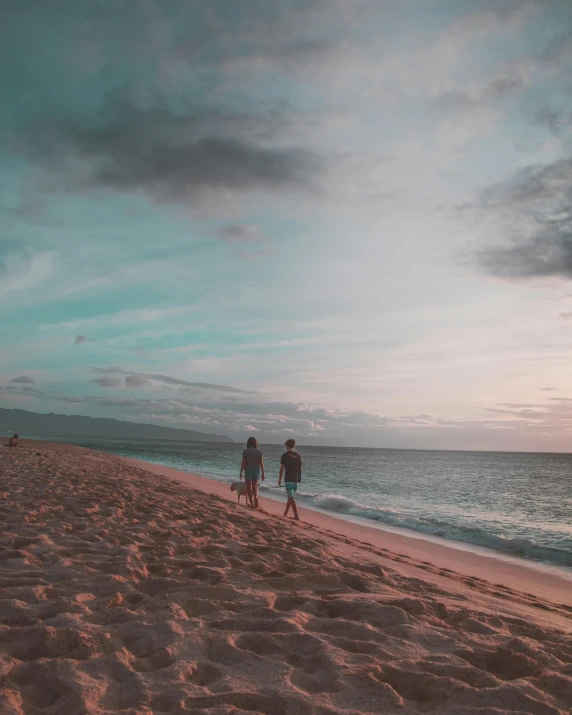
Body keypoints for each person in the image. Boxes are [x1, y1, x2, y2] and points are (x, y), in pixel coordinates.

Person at [278, 438, 302, 520]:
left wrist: (279, 479)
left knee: (291, 497)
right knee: (290, 496)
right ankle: (286, 512)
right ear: (293, 446)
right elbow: (300, 468)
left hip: (288, 478)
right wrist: (298, 478)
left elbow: (282, 469)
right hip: (295, 478)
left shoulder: (284, 456)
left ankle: (296, 515)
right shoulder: (298, 456)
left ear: (286, 445)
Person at [239, 436, 264, 508]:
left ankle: (251, 504)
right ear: (255, 443)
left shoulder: (245, 451)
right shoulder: (259, 452)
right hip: (256, 471)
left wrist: (241, 473)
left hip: (248, 471)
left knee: (249, 488)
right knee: (254, 487)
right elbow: (261, 463)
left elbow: (243, 463)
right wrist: (263, 473)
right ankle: (255, 498)